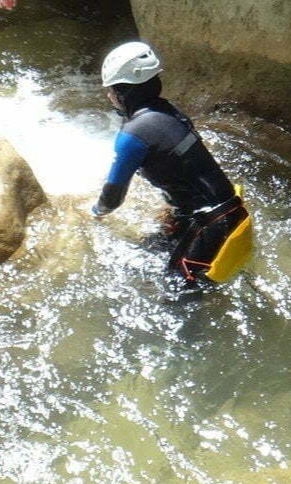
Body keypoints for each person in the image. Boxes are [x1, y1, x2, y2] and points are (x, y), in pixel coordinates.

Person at [90, 41, 253, 296]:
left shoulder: (131, 137)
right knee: (149, 248)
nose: (109, 95)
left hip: (209, 226)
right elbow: (188, 170)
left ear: (122, 92)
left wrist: (95, 212)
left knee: (177, 297)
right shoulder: (170, 112)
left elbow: (112, 199)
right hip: (229, 208)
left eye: (110, 89)